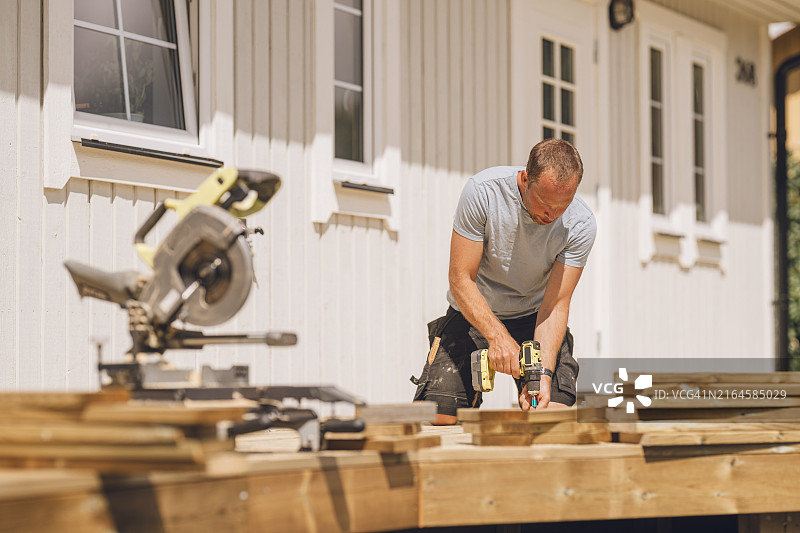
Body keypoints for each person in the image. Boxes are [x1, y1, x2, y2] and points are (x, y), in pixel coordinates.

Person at [412, 139, 596, 425]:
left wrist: (544, 374)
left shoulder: (581, 223)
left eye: (563, 205)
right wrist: (497, 337)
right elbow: (460, 279)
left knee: (549, 415)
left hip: (535, 318)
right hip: (473, 314)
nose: (553, 215)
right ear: (525, 179)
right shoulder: (483, 193)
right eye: (545, 203)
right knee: (440, 416)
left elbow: (556, 305)